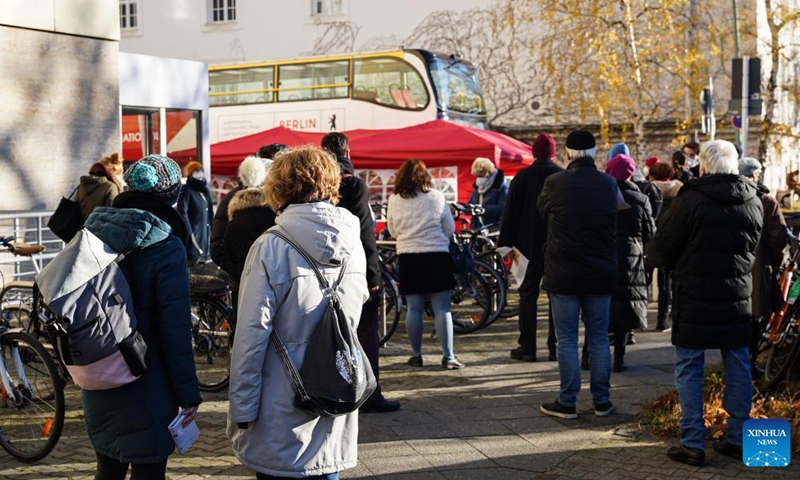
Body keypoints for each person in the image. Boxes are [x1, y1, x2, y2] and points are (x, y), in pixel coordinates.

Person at [229, 147, 368, 480]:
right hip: (334, 388)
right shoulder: (352, 240)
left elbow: (251, 333)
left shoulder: (271, 245)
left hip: (281, 402)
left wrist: (242, 409)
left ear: (277, 186)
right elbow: (354, 309)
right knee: (326, 470)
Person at [82, 155, 201, 480]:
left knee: (108, 467)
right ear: (170, 195)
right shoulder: (166, 246)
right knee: (149, 471)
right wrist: (188, 394)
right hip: (149, 381)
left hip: (97, 373)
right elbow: (174, 331)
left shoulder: (93, 232)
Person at [646, 140, 763, 466]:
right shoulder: (753, 200)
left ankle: (693, 442)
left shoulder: (691, 200)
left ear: (706, 166)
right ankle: (739, 438)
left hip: (694, 298)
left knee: (689, 367)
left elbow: (661, 248)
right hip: (737, 299)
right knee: (738, 364)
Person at [537, 130, 618, 419]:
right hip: (601, 272)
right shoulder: (609, 184)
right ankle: (602, 402)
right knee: (598, 339)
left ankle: (567, 401)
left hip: (564, 272)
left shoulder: (555, 183)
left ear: (568, 154)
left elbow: (541, 211)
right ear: (595, 153)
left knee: (567, 339)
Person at [321, 132, 400, 412]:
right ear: (348, 153)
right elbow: (365, 234)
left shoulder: (317, 184)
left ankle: (334, 390)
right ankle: (369, 394)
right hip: (355, 271)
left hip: (322, 270)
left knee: (329, 334)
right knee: (366, 334)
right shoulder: (353, 185)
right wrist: (373, 275)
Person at [387, 159, 464, 370]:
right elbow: (449, 228)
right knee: (442, 309)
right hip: (437, 255)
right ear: (425, 177)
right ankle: (448, 357)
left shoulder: (394, 200)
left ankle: (416, 355)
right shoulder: (436, 197)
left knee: (414, 309)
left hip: (409, 256)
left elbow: (392, 231)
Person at [499, 133, 563, 362]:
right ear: (553, 152)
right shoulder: (562, 176)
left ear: (534, 153)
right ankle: (556, 347)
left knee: (527, 296)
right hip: (558, 247)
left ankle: (527, 346)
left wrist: (504, 247)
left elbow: (510, 215)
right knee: (557, 296)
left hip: (524, 248)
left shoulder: (522, 177)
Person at [604, 154, 655, 372]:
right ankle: (619, 359)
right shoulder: (640, 198)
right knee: (625, 307)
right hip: (631, 256)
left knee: (600, 308)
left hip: (604, 253)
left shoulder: (601, 195)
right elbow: (649, 232)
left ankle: (588, 357)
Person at [210, 144, 287, 279]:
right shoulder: (238, 200)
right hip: (255, 280)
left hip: (252, 279)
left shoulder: (279, 202)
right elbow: (218, 247)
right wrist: (243, 274)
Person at [739, 157, 788, 362]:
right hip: (758, 267)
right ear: (755, 176)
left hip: (730, 269)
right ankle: (748, 363)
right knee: (755, 316)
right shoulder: (766, 201)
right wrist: (774, 262)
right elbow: (778, 238)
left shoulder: (728, 197)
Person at [224, 156, 276, 283]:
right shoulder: (275, 212)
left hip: (243, 280)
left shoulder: (236, 213)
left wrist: (239, 274)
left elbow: (226, 247)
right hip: (273, 279)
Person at [648, 162, 683, 332]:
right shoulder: (680, 192)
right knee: (666, 283)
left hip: (651, 239)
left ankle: (639, 317)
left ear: (652, 176)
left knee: (644, 279)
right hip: (670, 239)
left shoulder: (648, 190)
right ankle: (663, 320)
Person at [178, 161, 214, 263]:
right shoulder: (186, 190)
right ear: (191, 173)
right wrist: (190, 232)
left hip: (206, 234)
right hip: (194, 235)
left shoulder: (204, 190)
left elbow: (210, 212)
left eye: (201, 170)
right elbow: (183, 213)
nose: (200, 173)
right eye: (196, 170)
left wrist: (213, 227)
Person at [467, 157, 508, 228]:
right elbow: (471, 203)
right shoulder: (477, 187)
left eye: (481, 176)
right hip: (476, 228)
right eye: (477, 177)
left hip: (493, 229)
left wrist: (483, 209)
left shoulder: (501, 188)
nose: (479, 179)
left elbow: (503, 209)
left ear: (489, 173)